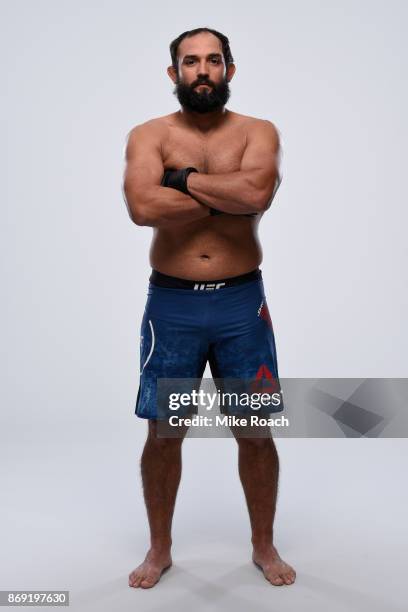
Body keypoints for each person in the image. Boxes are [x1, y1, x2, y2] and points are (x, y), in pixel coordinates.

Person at [122, 27, 296, 589]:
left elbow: (256, 196)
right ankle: (159, 549)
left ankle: (264, 546)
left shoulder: (257, 131)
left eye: (213, 60)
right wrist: (222, 193)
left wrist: (184, 180)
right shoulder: (148, 134)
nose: (203, 70)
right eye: (191, 62)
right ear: (174, 74)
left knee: (255, 429)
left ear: (230, 69)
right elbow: (143, 207)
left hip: (242, 305)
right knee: (165, 432)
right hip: (172, 308)